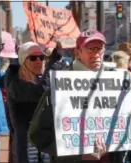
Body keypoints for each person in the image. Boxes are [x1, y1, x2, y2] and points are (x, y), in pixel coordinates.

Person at [31, 29, 126, 163]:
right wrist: (78, 155)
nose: (96, 53)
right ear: (77, 52)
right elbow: (38, 135)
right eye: (90, 48)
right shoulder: (61, 85)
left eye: (99, 48)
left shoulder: (113, 83)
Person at [5, 41, 51, 163]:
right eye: (33, 58)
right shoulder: (14, 83)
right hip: (26, 144)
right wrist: (51, 65)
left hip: (44, 141)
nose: (38, 61)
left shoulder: (42, 79)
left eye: (41, 57)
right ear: (23, 61)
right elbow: (39, 92)